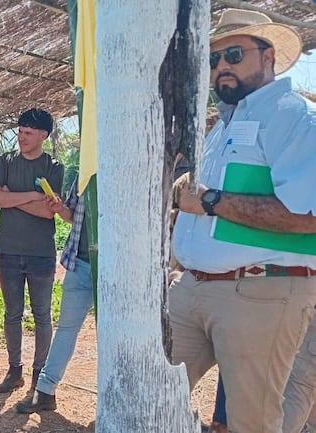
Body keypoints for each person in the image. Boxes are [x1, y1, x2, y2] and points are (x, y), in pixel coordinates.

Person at [171, 9, 316, 433]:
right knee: (149, 389)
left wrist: (212, 200)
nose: (221, 68)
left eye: (234, 54)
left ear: (268, 56)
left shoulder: (293, 117)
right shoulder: (226, 124)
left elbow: (308, 215)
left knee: (252, 422)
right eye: (213, 60)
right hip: (195, 286)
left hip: (261, 290)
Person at [0, 108, 64, 393]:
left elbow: (48, 213)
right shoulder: (5, 161)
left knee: (42, 314)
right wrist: (32, 195)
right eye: (19, 132)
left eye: (28, 133)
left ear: (44, 135)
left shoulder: (54, 166)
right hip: (8, 250)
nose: (21, 137)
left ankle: (38, 374)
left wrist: (12, 197)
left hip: (41, 253)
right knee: (12, 314)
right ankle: (14, 370)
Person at [16, 174, 90, 413]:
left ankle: (115, 401)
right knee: (66, 329)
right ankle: (45, 392)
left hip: (113, 268)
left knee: (112, 334)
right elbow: (71, 215)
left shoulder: (129, 169)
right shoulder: (85, 171)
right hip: (80, 263)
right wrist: (59, 208)